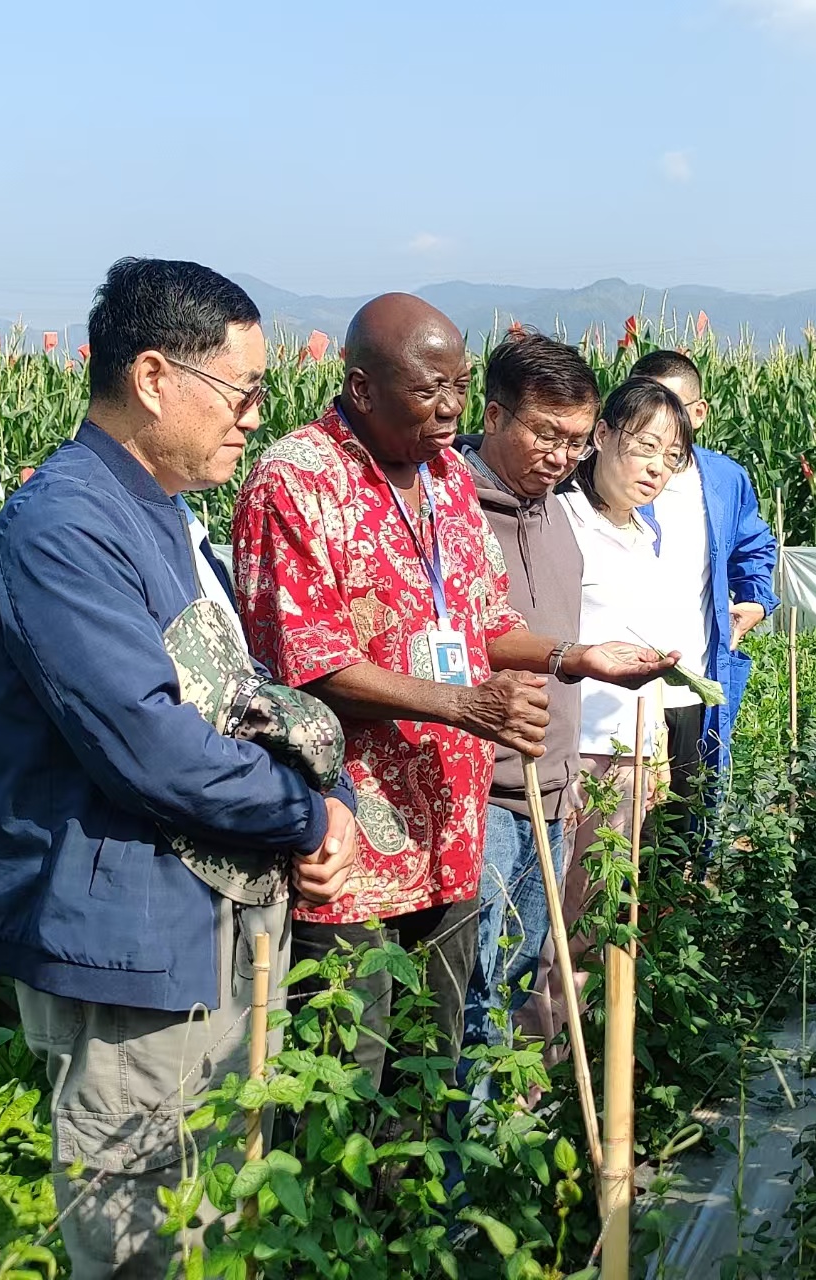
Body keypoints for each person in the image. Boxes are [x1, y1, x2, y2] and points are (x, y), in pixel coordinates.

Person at [0, 258, 362, 1279]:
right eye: (242, 391)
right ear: (152, 378)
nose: (254, 418)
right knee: (145, 1232)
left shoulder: (167, 517)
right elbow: (152, 746)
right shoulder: (65, 527)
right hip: (135, 947)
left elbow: (253, 696)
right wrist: (306, 816)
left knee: (217, 1210)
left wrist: (332, 795)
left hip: (206, 923)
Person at [231, 293, 672, 1083]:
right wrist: (467, 706)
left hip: (451, 831)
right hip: (352, 841)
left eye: (460, 387)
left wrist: (575, 657)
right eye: (429, 389)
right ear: (362, 388)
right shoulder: (296, 480)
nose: (449, 409)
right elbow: (308, 664)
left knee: (434, 1066)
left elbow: (483, 621)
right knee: (347, 1072)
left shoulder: (445, 480)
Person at [453, 332, 600, 1064]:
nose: (561, 456)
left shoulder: (562, 512)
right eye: (546, 434)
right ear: (494, 415)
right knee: (467, 1003)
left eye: (576, 441)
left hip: (549, 789)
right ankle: (461, 1138)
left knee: (513, 993)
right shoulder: (449, 510)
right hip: (482, 797)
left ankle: (496, 1130)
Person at [626, 349, 778, 846]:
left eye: (671, 406)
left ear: (699, 413)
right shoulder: (602, 474)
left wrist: (754, 601)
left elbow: (754, 545)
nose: (659, 421)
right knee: (620, 829)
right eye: (644, 405)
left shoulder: (723, 479)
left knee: (683, 823)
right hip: (621, 682)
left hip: (692, 677)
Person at [558, 377, 691, 856]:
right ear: (601, 435)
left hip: (631, 747)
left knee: (608, 889)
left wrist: (656, 748)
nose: (657, 467)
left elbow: (647, 650)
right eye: (647, 446)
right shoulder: (561, 520)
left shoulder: (645, 536)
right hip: (574, 747)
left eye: (672, 457)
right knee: (559, 887)